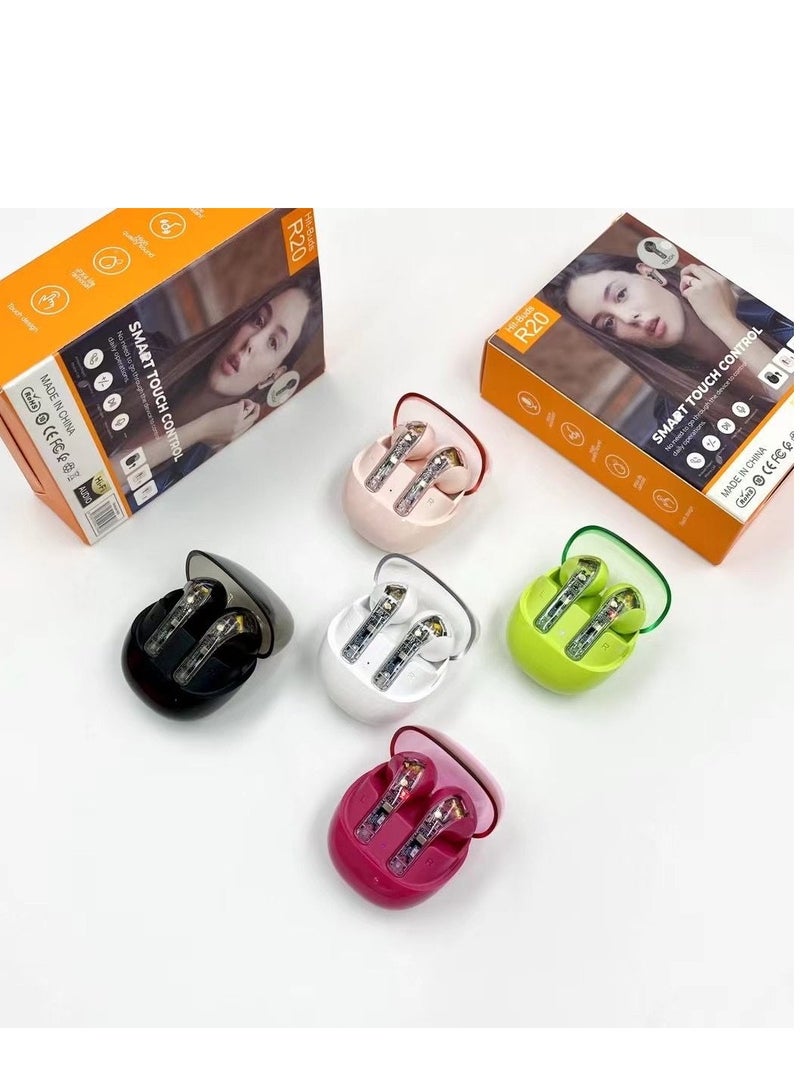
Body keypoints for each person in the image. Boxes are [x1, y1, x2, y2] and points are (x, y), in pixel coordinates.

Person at [114, 268, 322, 490]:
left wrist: (202, 429)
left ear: (273, 375)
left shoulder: (207, 475)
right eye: (258, 320)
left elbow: (98, 490)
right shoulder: (140, 355)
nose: (252, 342)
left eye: (273, 343)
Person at [540, 253, 792, 425]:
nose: (629, 317)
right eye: (609, 323)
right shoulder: (677, 418)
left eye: (621, 295)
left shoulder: (778, 303)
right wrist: (721, 321)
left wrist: (722, 320)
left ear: (649, 274)